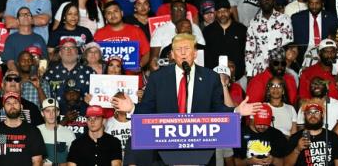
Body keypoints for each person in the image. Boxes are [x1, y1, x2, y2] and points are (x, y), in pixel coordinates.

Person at [112, 33, 261, 116]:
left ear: (195, 53)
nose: (183, 53)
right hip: (165, 148)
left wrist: (236, 111)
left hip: (201, 147)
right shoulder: (157, 78)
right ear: (171, 55)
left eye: (187, 49)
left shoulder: (211, 78)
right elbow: (148, 109)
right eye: (178, 49)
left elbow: (217, 109)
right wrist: (132, 108)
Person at [0, 91, 46, 165]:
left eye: (15, 102)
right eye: (8, 103)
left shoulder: (33, 131)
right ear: (3, 109)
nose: (12, 106)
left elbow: (37, 162)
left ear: (21, 107)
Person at [245, 0, 293, 77]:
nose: (266, 1)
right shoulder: (253, 22)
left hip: (279, 68)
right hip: (259, 69)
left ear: (274, 1)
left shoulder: (284, 19)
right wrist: (249, 73)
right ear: (259, 1)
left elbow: (288, 45)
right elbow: (250, 50)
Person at [94, 1, 150, 71]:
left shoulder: (136, 31)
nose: (113, 15)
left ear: (122, 13)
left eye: (115, 11)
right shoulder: (99, 34)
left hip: (133, 77)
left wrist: (140, 65)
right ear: (105, 17)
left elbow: (147, 52)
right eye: (109, 13)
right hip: (107, 78)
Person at [203, 0, 247, 81]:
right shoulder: (207, 31)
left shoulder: (241, 29)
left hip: (238, 77)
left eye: (225, 11)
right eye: (219, 11)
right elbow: (205, 55)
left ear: (230, 11)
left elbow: (246, 52)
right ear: (215, 13)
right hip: (214, 78)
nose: (222, 14)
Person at [43, 38, 95, 105]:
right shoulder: (50, 73)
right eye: (65, 48)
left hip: (84, 114)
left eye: (72, 48)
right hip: (56, 114)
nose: (69, 51)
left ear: (77, 51)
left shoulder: (89, 71)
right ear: (60, 53)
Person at [2, 7, 48, 72]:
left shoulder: (39, 38)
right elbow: (10, 62)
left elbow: (44, 61)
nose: (25, 16)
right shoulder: (11, 38)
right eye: (22, 14)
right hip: (18, 77)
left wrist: (39, 77)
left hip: (36, 78)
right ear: (17, 21)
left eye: (28, 14)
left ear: (32, 20)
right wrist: (20, 77)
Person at [38, 98, 76, 166]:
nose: (51, 114)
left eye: (54, 110)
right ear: (42, 113)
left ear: (58, 113)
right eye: (47, 111)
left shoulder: (68, 133)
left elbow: (74, 160)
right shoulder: (36, 131)